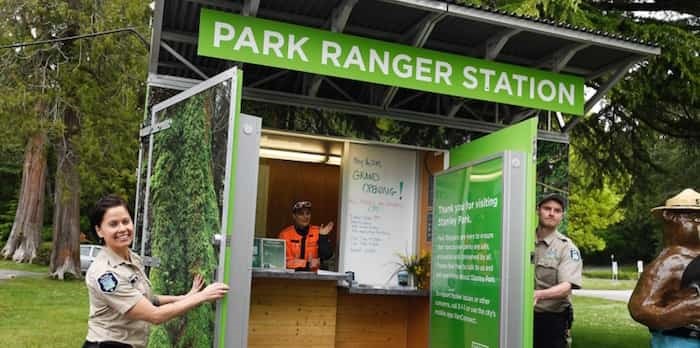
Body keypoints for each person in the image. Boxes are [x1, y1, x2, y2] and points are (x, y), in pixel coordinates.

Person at [84, 194, 229, 348]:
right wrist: (202, 296)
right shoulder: (105, 274)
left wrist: (184, 297)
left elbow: (146, 298)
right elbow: (155, 315)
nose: (122, 229)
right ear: (99, 231)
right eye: (113, 224)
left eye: (125, 221)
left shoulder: (132, 258)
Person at [628, 188, 700, 347]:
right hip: (679, 340)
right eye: (696, 219)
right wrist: (677, 313)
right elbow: (639, 308)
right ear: (671, 218)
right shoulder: (670, 262)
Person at [533, 193, 583, 348]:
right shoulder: (523, 241)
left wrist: (537, 295)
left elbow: (566, 287)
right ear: (538, 210)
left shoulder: (567, 248)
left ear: (562, 216)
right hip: (519, 316)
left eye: (557, 210)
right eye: (547, 208)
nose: (551, 213)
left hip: (551, 321)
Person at [277, 200, 334, 271]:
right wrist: (306, 264)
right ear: (294, 216)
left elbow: (327, 256)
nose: (305, 216)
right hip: (291, 278)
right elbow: (281, 261)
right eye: (301, 214)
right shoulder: (285, 235)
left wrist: (323, 237)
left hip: (314, 278)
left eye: (308, 213)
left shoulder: (318, 231)